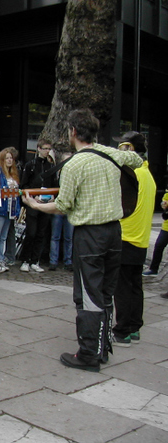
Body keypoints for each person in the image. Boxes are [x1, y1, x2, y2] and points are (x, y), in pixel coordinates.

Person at [23, 108, 143, 372]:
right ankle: (103, 348)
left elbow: (63, 205)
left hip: (90, 235)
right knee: (106, 293)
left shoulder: (74, 164)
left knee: (88, 295)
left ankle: (89, 354)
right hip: (114, 232)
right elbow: (135, 160)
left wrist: (36, 205)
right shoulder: (110, 154)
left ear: (74, 132)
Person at [111, 131, 156, 346]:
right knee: (135, 285)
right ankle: (135, 328)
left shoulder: (131, 172)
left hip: (126, 236)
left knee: (123, 287)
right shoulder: (148, 174)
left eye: (123, 146)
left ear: (130, 149)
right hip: (141, 239)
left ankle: (123, 331)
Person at [19, 139, 55, 273]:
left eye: (48, 149)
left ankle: (35, 260)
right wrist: (32, 197)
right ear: (39, 149)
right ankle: (25, 259)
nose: (46, 151)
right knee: (31, 232)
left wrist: (52, 196)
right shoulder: (31, 165)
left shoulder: (50, 166)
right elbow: (24, 185)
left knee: (41, 233)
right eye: (44, 148)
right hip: (33, 204)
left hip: (46, 204)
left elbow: (53, 184)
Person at [142, 187, 168, 277]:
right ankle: (153, 269)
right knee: (159, 245)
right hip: (166, 226)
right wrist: (164, 204)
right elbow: (164, 201)